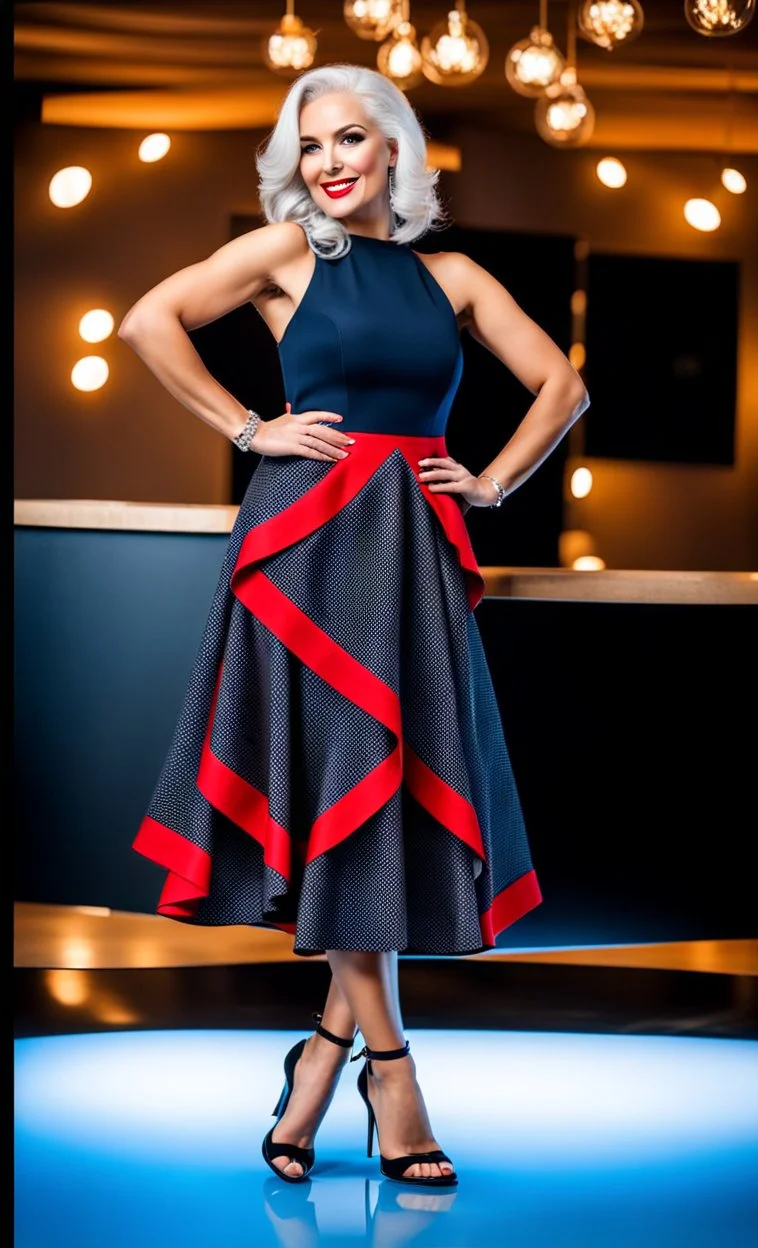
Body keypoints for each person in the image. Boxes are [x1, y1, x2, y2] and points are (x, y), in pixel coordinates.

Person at [118, 61, 589, 1189]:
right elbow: (149, 320)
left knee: (380, 792)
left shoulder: (455, 276)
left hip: (410, 550)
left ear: (395, 153)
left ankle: (319, 1062)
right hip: (303, 549)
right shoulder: (289, 256)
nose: (327, 164)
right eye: (310, 146)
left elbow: (560, 387)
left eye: (348, 142)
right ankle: (390, 1068)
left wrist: (493, 484)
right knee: (337, 784)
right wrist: (248, 427)